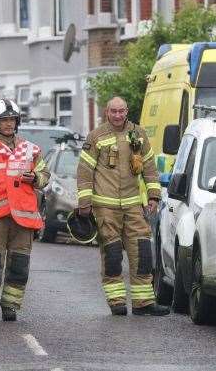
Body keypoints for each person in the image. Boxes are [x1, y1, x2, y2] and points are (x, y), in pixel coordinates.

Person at [76, 97, 170, 316]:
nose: (118, 115)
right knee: (112, 254)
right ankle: (116, 301)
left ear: (127, 111)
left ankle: (143, 302)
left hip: (133, 205)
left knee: (143, 252)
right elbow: (84, 172)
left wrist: (154, 196)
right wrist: (84, 203)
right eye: (113, 111)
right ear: (106, 112)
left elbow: (149, 167)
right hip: (105, 207)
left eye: (121, 111)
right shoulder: (96, 137)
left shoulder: (138, 134)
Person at [0, 99, 50, 322]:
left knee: (19, 266)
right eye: (4, 120)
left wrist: (36, 178)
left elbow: (45, 176)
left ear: (17, 121)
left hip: (23, 218)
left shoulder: (32, 150)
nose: (9, 124)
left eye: (12, 119)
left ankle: (10, 306)